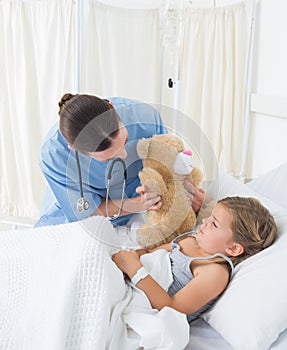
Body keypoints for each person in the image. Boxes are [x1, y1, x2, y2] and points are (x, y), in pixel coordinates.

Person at [36, 93, 205, 227]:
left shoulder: (144, 116)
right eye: (109, 158)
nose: (124, 155)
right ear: (75, 148)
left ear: (112, 108)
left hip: (143, 202)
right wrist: (137, 204)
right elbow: (88, 212)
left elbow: (166, 163)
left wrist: (186, 189)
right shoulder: (54, 156)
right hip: (84, 217)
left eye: (125, 141)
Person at [112, 196, 278, 323]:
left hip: (144, 301)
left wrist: (134, 269)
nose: (205, 221)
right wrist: (129, 259)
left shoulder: (214, 271)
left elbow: (172, 309)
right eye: (210, 217)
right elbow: (149, 254)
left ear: (233, 248)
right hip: (129, 278)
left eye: (214, 224)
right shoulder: (189, 240)